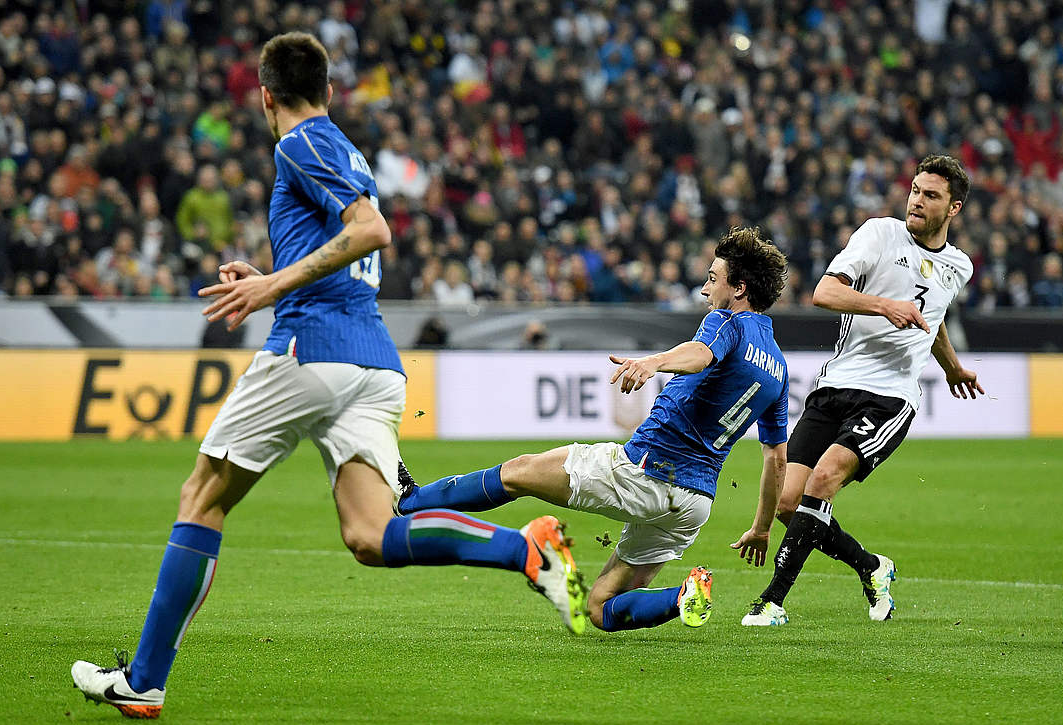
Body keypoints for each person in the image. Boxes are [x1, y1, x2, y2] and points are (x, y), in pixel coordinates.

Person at [71, 32, 584, 719]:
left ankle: (145, 680)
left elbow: (371, 232)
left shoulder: (300, 141)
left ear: (264, 96)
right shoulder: (346, 148)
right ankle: (522, 551)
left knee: (202, 497)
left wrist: (273, 287)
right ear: (332, 90)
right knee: (370, 536)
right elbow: (342, 249)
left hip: (312, 350)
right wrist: (275, 280)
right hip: (373, 360)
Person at [398, 228, 791, 634]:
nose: (705, 288)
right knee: (600, 609)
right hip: (694, 505)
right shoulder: (778, 367)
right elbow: (777, 459)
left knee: (517, 472)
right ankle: (683, 595)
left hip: (645, 472)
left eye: (713, 278)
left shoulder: (727, 323)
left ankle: (411, 502)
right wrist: (761, 528)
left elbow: (699, 354)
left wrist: (655, 362)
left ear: (739, 288)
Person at [741, 154, 984, 627]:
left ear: (953, 209)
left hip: (890, 396)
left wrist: (953, 367)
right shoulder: (879, 234)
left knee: (822, 482)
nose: (917, 200)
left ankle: (772, 600)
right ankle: (872, 567)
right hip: (835, 386)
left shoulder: (959, 267)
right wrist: (882, 306)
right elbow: (824, 292)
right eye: (915, 189)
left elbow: (930, 321)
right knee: (790, 502)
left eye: (931, 195)